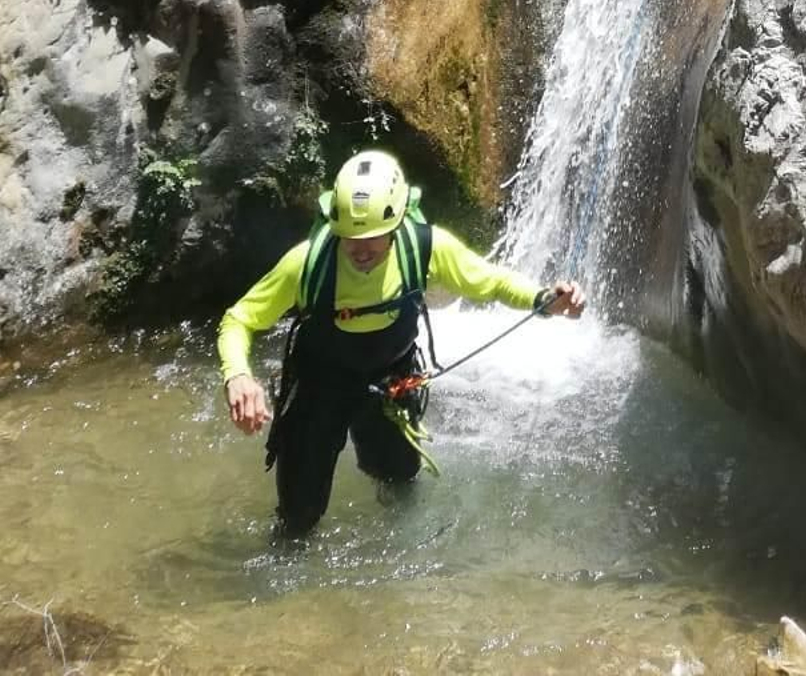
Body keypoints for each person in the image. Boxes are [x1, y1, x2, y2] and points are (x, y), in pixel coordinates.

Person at [218, 146, 584, 533]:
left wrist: (544, 299)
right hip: (318, 390)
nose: (360, 249)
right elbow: (239, 319)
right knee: (297, 519)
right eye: (349, 237)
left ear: (395, 225)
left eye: (373, 237)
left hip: (390, 386)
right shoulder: (307, 262)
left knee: (400, 483)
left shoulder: (425, 247)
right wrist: (237, 375)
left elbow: (491, 281)